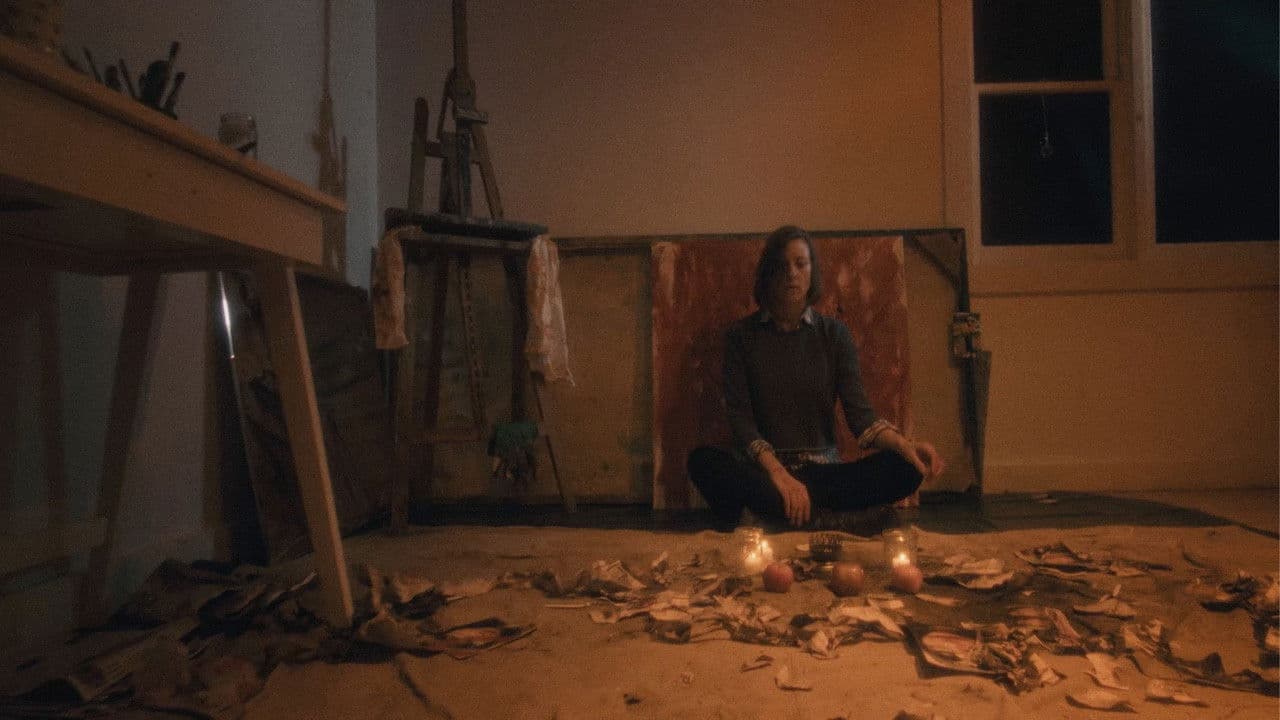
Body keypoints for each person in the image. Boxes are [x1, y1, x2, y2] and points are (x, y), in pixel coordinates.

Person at [687, 225, 944, 531]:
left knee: (906, 468)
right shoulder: (741, 337)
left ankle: (785, 516)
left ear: (812, 272)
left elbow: (861, 418)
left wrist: (905, 445)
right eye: (781, 265)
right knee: (702, 462)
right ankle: (830, 517)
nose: (791, 274)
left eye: (800, 264)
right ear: (768, 273)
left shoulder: (834, 335)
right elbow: (741, 422)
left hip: (823, 476)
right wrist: (779, 475)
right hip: (766, 474)